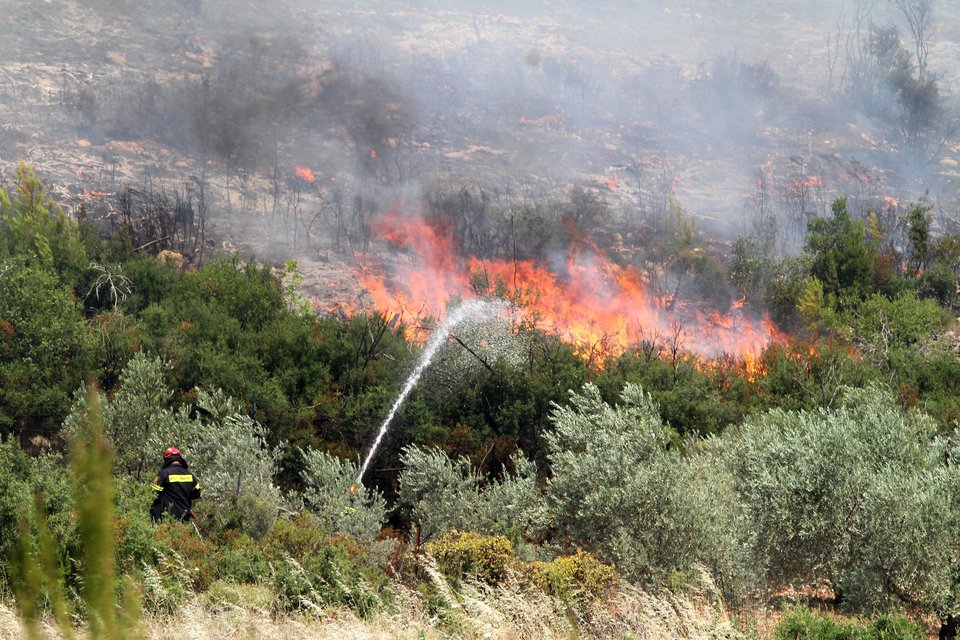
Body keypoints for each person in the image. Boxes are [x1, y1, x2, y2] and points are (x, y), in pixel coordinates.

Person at [150, 446, 201, 523]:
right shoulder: (190, 475)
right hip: (184, 517)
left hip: (165, 518)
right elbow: (196, 493)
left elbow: (152, 493)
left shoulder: (164, 473)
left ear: (166, 459)